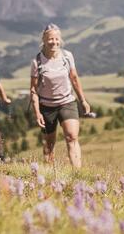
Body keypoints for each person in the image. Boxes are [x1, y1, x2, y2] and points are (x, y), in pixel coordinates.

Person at [30, 23, 91, 168]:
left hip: (67, 103)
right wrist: (37, 112)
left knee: (72, 137)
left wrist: (83, 101)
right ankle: (51, 175)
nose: (54, 42)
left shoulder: (67, 56)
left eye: (57, 39)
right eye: (50, 39)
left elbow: (74, 79)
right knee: (49, 144)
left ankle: (77, 173)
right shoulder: (37, 61)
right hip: (47, 107)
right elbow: (33, 89)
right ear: (44, 40)